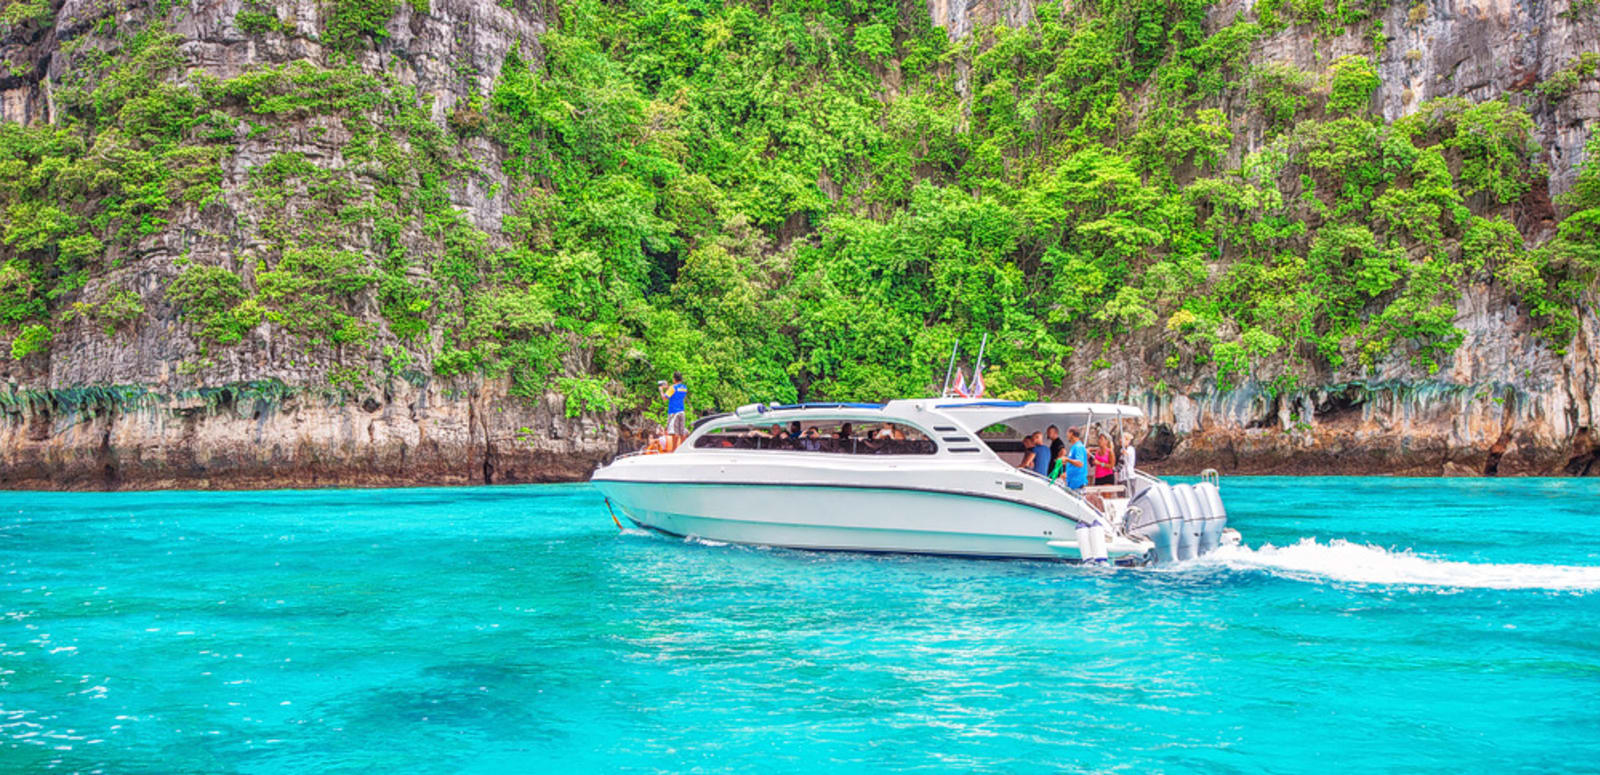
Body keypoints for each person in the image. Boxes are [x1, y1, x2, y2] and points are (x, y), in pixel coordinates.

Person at [658, 372, 688, 443]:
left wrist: (661, 390)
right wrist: (668, 387)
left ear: (674, 379)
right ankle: (682, 449)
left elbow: (664, 398)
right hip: (682, 411)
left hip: (674, 412)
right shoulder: (684, 388)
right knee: (682, 432)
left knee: (675, 433)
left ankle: (674, 451)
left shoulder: (673, 388)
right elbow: (676, 392)